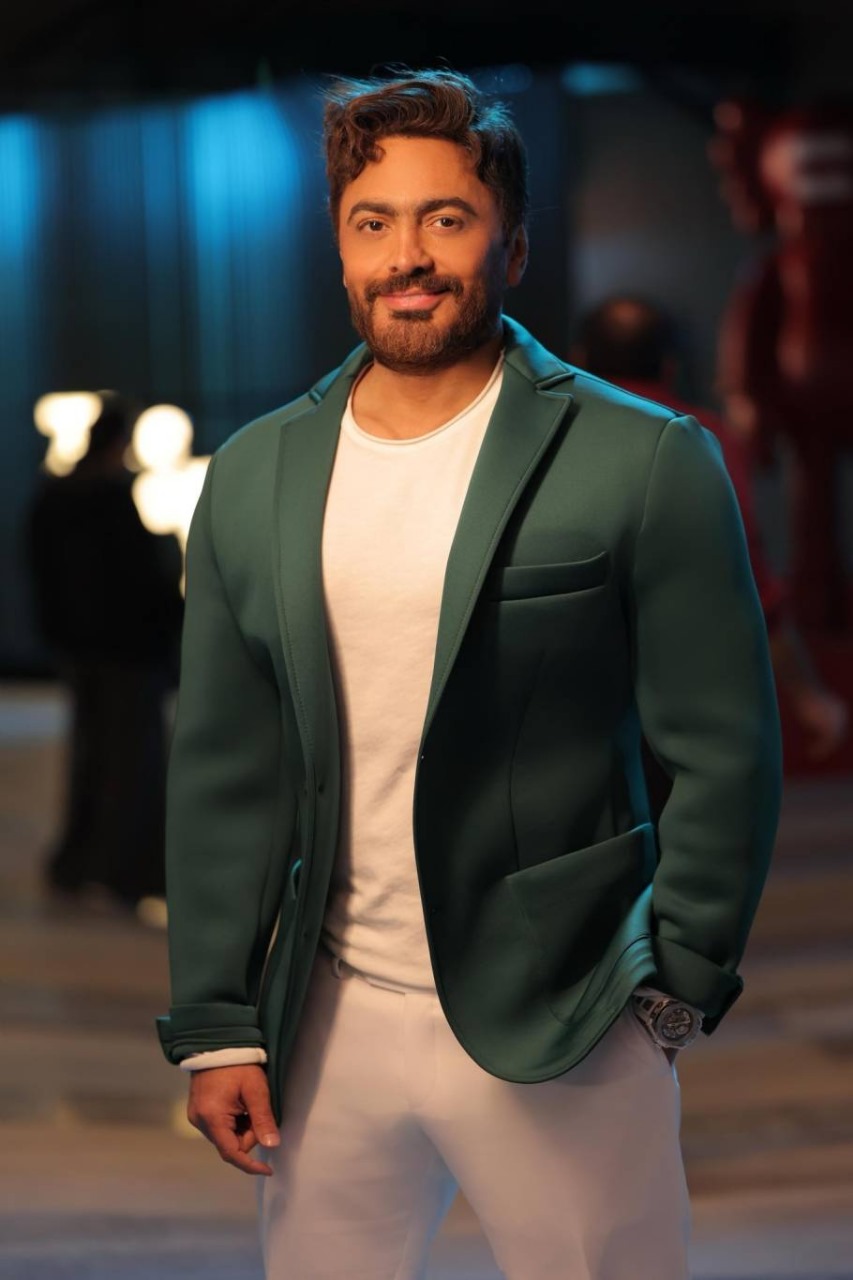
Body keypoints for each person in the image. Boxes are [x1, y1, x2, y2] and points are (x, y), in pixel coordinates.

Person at [156, 71, 782, 1280]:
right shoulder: (254, 473)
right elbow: (226, 768)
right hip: (328, 1018)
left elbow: (724, 746)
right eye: (373, 222)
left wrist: (671, 989)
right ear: (340, 248)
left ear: (514, 243)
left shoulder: (644, 457)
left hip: (568, 1009)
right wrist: (218, 1021)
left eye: (446, 217)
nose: (408, 255)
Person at [573, 294, 849, 777]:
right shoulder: (703, 437)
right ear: (671, 365)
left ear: (577, 358)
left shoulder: (547, 433)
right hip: (680, 706)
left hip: (568, 700)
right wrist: (808, 695)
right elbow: (750, 582)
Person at [28, 393, 184, 917]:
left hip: (83, 651)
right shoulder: (109, 500)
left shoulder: (56, 498)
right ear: (119, 442)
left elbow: (43, 575)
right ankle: (125, 871)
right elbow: (138, 581)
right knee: (132, 761)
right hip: (128, 653)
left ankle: (82, 863)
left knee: (93, 754)